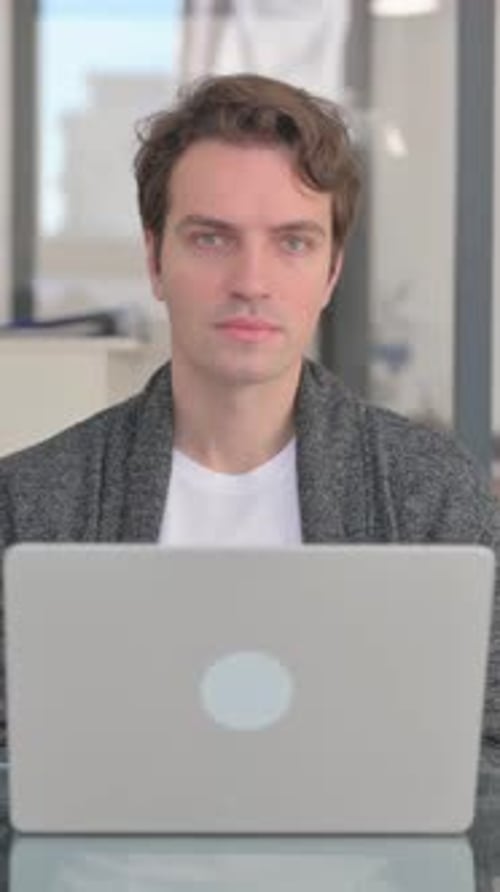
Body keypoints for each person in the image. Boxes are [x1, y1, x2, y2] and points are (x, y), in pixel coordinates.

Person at [0, 73, 499, 760]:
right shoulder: (28, 505)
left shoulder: (434, 496)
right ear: (154, 259)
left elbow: (489, 755)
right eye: (211, 239)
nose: (252, 281)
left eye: (293, 242)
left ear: (331, 273)